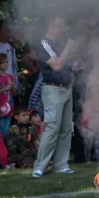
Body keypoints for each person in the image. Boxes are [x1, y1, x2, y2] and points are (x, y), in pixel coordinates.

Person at [31, 16, 77, 178]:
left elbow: (64, 65)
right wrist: (68, 49)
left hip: (66, 89)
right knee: (52, 128)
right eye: (60, 23)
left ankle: (61, 165)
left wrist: (73, 65)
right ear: (51, 24)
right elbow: (57, 65)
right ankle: (40, 166)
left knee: (65, 129)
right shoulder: (44, 44)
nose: (63, 26)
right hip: (53, 91)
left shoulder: (58, 44)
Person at [0, 53, 15, 139]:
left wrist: (12, 87)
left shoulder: (10, 77)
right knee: (0, 131)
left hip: (10, 106)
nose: (6, 64)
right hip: (0, 108)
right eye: (3, 62)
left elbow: (14, 93)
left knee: (5, 131)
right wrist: (4, 88)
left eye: (7, 62)